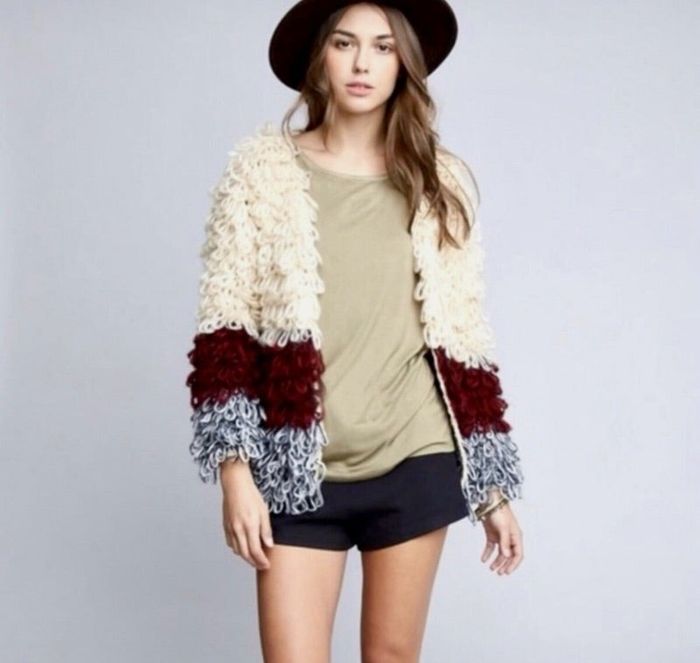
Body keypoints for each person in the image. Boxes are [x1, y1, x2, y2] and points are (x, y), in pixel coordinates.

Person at [185, 1, 525, 660]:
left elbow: (463, 338)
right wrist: (234, 474)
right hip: (295, 465)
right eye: (345, 44)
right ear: (321, 57)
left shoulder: (438, 181)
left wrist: (491, 489)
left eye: (383, 47)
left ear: (404, 65)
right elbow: (223, 332)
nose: (362, 63)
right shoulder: (262, 173)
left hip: (414, 455)